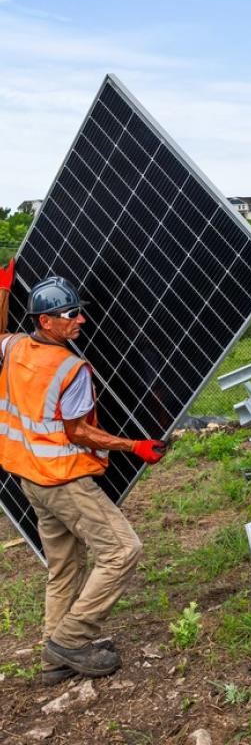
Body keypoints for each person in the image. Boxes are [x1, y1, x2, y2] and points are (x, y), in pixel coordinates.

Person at [0, 263, 167, 684]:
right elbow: (79, 432)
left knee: (64, 567)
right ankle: (72, 639)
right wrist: (135, 445)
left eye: (78, 311)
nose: (81, 320)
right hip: (62, 480)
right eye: (71, 314)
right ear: (46, 321)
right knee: (122, 550)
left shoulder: (15, 348)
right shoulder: (70, 369)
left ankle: (53, 661)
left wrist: (3, 291)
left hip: (29, 480)